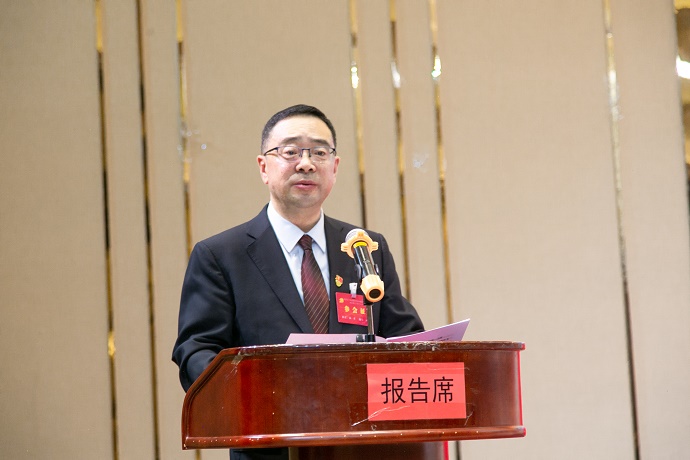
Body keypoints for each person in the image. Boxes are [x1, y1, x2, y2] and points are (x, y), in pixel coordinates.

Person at [172, 104, 424, 460]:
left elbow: (405, 339)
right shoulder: (221, 255)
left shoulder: (365, 247)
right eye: (290, 152)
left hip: (363, 447)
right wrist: (254, 394)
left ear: (334, 167)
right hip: (270, 447)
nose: (306, 163)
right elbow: (196, 350)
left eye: (319, 153)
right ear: (264, 167)